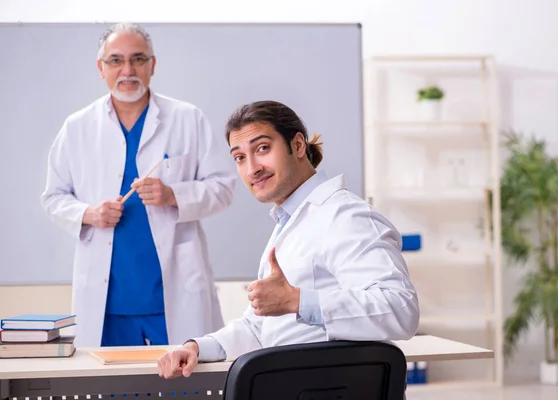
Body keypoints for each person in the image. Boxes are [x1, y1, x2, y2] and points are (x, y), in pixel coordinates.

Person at [157, 100, 419, 379]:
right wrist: (198, 347)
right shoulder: (289, 222)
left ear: (297, 146)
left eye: (262, 149)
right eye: (240, 157)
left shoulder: (345, 216)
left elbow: (400, 310)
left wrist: (298, 301)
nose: (252, 168)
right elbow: (263, 328)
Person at [40, 23, 236, 348]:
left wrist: (174, 194)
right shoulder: (77, 128)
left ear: (152, 65)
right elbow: (53, 197)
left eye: (138, 59)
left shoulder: (188, 119)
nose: (127, 70)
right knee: (113, 390)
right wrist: (89, 213)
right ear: (101, 68)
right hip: (109, 303)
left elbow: (224, 188)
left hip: (172, 294)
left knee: (185, 390)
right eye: (116, 60)